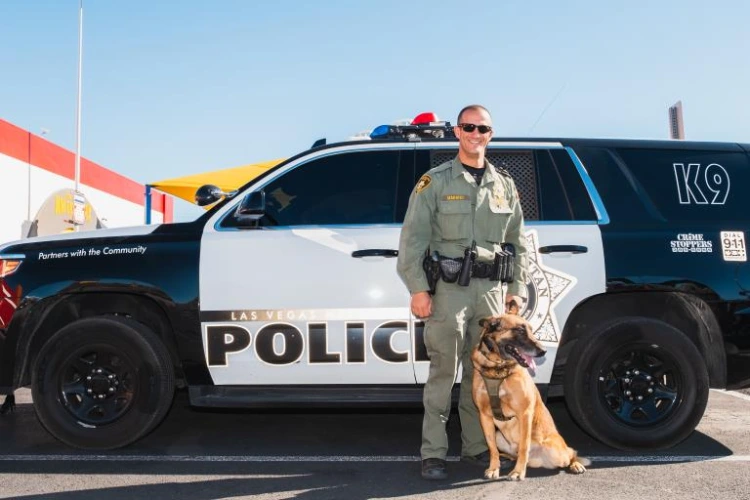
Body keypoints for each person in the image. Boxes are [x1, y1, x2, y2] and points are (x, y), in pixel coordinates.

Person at [396, 104, 529, 480]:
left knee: (484, 375)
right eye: (468, 127)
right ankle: (433, 453)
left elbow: (518, 241)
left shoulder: (504, 185)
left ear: (490, 133)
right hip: (448, 292)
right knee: (442, 373)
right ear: (457, 132)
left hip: (490, 293)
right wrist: (419, 290)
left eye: (483, 128)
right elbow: (412, 242)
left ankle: (476, 447)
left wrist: (515, 289)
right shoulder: (435, 182)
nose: (476, 134)